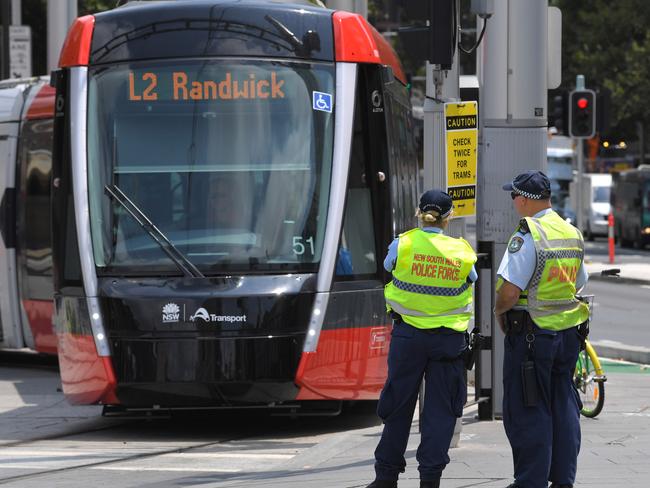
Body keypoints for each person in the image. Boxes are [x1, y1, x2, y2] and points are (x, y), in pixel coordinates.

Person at [367, 189, 478, 488]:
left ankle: (386, 477)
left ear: (419, 213)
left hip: (408, 338)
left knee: (397, 406)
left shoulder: (403, 244)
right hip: (447, 342)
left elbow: (388, 268)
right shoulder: (462, 251)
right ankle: (430, 480)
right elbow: (473, 279)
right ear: (449, 217)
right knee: (440, 412)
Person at [494, 171, 589, 488]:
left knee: (528, 407)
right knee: (563, 405)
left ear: (522, 200)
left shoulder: (529, 233)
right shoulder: (570, 231)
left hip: (532, 336)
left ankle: (530, 482)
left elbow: (509, 291)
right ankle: (562, 480)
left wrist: (499, 312)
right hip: (567, 334)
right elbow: (580, 281)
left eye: (513, 197)